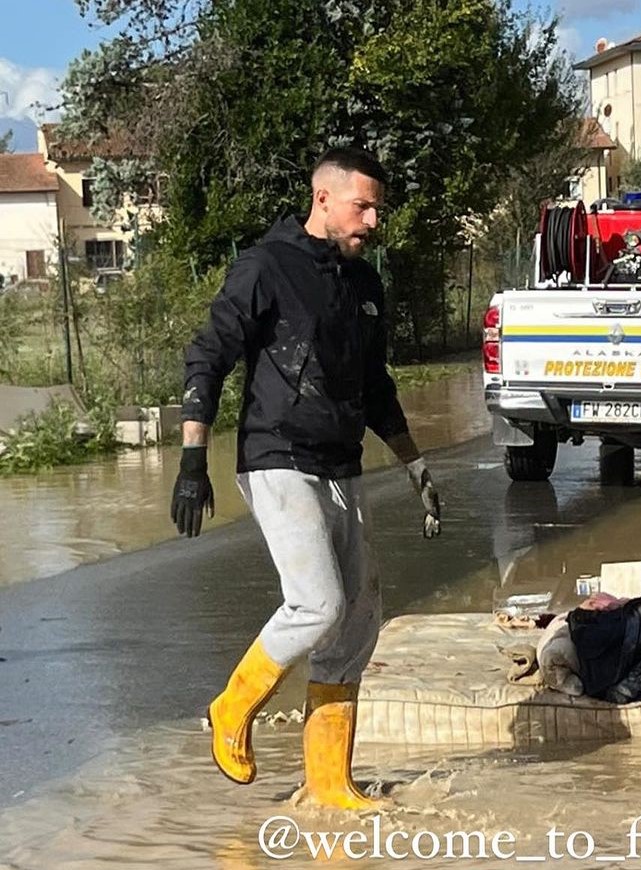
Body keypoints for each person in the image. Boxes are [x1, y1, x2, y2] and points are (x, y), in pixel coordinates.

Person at [170, 146, 441, 812]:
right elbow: (208, 356)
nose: (375, 219)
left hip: (341, 464)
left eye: (379, 206)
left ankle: (329, 786)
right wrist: (191, 458)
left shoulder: (364, 286)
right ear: (324, 199)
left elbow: (377, 389)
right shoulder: (266, 267)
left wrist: (416, 466)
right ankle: (232, 708)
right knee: (317, 603)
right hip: (277, 456)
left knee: (357, 621)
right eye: (364, 205)